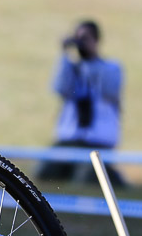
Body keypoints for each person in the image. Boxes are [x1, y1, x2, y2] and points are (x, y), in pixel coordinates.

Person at [38, 20, 126, 186]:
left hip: (99, 139)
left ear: (97, 40)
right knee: (45, 173)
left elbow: (108, 90)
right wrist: (64, 55)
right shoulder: (72, 68)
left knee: (85, 179)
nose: (81, 43)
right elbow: (59, 88)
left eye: (85, 39)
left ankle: (114, 177)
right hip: (71, 137)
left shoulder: (111, 68)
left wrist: (90, 60)